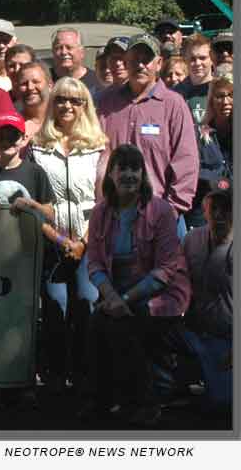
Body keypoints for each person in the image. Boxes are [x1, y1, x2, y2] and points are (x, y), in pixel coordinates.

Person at [81, 144, 191, 427]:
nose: (129, 174)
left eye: (135, 168)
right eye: (122, 168)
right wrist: (110, 296)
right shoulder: (100, 213)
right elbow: (94, 263)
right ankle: (100, 402)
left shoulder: (161, 210)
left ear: (143, 174)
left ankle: (144, 403)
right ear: (111, 175)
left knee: (123, 325)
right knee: (95, 325)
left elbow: (166, 269)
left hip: (158, 292)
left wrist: (124, 299)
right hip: (115, 291)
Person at [31, 77, 108, 391]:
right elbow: (35, 200)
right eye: (61, 99)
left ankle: (86, 373)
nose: (67, 105)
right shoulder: (37, 145)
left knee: (88, 302)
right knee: (55, 305)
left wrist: (83, 242)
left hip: (90, 237)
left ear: (85, 105)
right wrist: (61, 240)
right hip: (52, 236)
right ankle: (55, 375)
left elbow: (103, 200)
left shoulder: (99, 145)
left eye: (75, 100)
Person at [97, 33, 199, 240]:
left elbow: (186, 163)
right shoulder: (106, 103)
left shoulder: (174, 104)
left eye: (147, 59)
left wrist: (171, 210)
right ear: (126, 62)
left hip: (161, 216)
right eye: (135, 59)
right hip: (114, 217)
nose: (140, 65)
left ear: (159, 63)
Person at [182, 187, 232, 409]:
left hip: (227, 337)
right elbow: (176, 278)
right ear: (204, 211)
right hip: (192, 331)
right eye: (214, 208)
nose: (219, 215)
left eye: (226, 209)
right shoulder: (192, 239)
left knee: (223, 402)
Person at [185, 72, 233, 229]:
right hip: (204, 217)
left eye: (231, 95)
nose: (225, 101)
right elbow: (195, 174)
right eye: (219, 96)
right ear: (211, 100)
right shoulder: (200, 135)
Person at [174, 33, 215, 125]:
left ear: (212, 58)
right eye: (192, 59)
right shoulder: (175, 94)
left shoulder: (221, 89)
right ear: (185, 59)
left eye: (202, 58)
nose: (197, 63)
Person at [50, 27, 102, 96]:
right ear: (53, 52)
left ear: (82, 52)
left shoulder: (98, 82)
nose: (64, 52)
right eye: (58, 48)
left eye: (69, 47)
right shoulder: (45, 80)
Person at [14, 61, 53, 146]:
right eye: (24, 83)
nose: (30, 87)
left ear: (50, 86)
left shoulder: (61, 120)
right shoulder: (13, 124)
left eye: (36, 82)